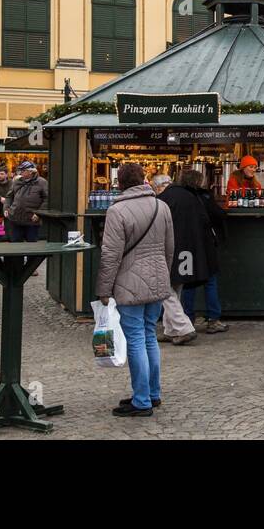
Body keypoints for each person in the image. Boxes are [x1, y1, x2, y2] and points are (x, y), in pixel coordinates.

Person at [97, 162, 174, 417]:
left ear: (119, 182)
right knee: (150, 335)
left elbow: (110, 255)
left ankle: (141, 400)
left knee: (137, 339)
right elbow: (169, 248)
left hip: (129, 284)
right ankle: (153, 394)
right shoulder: (161, 206)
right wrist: (164, 274)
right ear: (144, 180)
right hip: (158, 279)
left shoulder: (117, 211)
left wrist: (103, 290)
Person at [176, 171, 228, 334]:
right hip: (205, 244)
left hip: (185, 245)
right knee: (210, 281)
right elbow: (219, 214)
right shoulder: (203, 197)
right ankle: (213, 319)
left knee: (188, 283)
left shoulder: (178, 197)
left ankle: (187, 318)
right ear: (199, 182)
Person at [150, 175, 197, 346]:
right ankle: (171, 330)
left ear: (159, 187)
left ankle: (184, 327)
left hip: (169, 248)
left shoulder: (162, 200)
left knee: (164, 288)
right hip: (189, 248)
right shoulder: (189, 195)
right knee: (176, 287)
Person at [5, 160, 47, 242]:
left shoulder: (42, 182)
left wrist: (39, 213)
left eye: (23, 171)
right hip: (15, 219)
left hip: (31, 220)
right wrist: (6, 208)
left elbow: (47, 200)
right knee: (16, 247)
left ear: (30, 172)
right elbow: (9, 196)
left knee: (31, 247)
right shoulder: (17, 181)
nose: (20, 173)